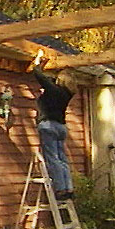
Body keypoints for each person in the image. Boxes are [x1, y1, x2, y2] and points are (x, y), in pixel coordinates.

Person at [32, 51, 78, 201]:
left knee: (53, 158)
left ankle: (60, 189)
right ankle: (68, 188)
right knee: (62, 159)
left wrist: (38, 61)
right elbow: (49, 80)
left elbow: (38, 75)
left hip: (49, 126)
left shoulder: (53, 90)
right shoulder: (67, 93)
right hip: (61, 128)